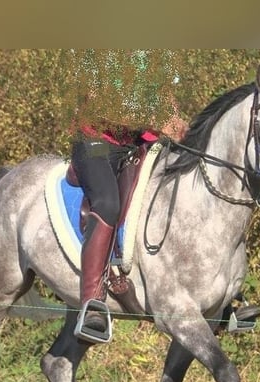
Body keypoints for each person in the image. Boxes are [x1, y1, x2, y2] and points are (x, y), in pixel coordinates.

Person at [71, 99, 188, 343]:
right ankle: (92, 303)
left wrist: (179, 124)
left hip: (140, 144)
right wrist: (154, 121)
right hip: (96, 142)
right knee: (107, 203)